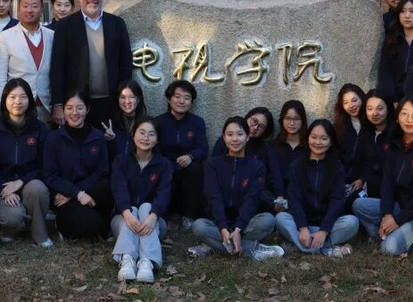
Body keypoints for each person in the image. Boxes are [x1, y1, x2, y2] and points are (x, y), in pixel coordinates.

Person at [190, 117, 284, 261]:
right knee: (199, 226)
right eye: (230, 134)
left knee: (268, 220)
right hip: (217, 223)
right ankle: (253, 248)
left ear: (247, 137)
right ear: (224, 138)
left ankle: (215, 246)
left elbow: (251, 200)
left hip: (246, 224)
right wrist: (223, 227)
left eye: (240, 134)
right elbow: (214, 198)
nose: (235, 139)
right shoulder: (213, 164)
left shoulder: (257, 167)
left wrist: (238, 229)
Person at [353, 96, 413, 256]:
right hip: (398, 207)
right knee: (358, 205)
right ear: (397, 118)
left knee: (389, 248)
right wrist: (387, 214)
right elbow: (387, 183)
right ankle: (387, 232)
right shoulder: (395, 145)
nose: (409, 120)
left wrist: (398, 220)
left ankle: (396, 237)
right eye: (404, 114)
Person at [50, 0, 133, 128]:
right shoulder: (66, 26)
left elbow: (125, 63)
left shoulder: (116, 24)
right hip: (77, 104)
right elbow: (57, 67)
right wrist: (58, 104)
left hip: (110, 102)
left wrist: (126, 98)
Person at [275, 119, 359, 257]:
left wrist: (324, 231)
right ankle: (326, 248)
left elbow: (337, 201)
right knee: (280, 218)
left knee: (352, 222)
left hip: (329, 225)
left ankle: (306, 246)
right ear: (308, 138)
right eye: (313, 137)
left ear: (331, 142)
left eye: (324, 138)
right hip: (302, 223)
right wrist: (303, 228)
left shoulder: (337, 167)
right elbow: (294, 199)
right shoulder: (297, 165)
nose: (318, 142)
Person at [0, 79, 52, 247]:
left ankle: (40, 236)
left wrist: (21, 181)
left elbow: (45, 166)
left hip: (29, 185)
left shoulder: (39, 129)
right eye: (12, 97)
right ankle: (11, 228)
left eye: (23, 97)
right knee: (13, 218)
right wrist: (4, 191)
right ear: (5, 100)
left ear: (29, 100)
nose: (18, 101)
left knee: (38, 188)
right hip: (3, 188)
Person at [44, 90, 113, 239]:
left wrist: (77, 193)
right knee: (94, 226)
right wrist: (77, 193)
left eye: (79, 108)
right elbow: (50, 176)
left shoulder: (97, 137)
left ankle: (100, 224)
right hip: (63, 195)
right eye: (69, 108)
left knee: (106, 187)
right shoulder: (53, 139)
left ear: (87, 109)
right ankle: (62, 224)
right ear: (63, 110)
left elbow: (102, 171)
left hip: (88, 192)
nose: (74, 113)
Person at [111, 117, 173, 284]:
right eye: (142, 133)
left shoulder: (164, 165)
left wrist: (153, 216)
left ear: (157, 139)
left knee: (146, 207)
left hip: (154, 223)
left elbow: (164, 194)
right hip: (123, 221)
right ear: (133, 135)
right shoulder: (121, 161)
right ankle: (128, 260)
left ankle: (146, 262)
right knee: (132, 209)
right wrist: (127, 214)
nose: (146, 138)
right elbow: (119, 190)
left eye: (151, 134)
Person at [0, 0, 54, 122]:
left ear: (41, 10)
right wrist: (2, 107)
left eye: (34, 6)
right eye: (25, 6)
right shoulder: (5, 37)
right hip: (17, 106)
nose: (30, 10)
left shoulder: (51, 36)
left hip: (46, 106)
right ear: (19, 9)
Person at [155, 80, 208, 230]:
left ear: (192, 102)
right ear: (168, 99)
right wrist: (167, 163)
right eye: (177, 96)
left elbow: (203, 147)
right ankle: (169, 215)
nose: (181, 101)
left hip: (187, 166)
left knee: (195, 169)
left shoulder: (197, 122)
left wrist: (190, 156)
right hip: (166, 165)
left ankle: (189, 216)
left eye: (187, 98)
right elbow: (154, 148)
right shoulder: (158, 122)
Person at [211, 108, 285, 214]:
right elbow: (213, 169)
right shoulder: (226, 141)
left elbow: (275, 175)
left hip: (254, 193)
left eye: (261, 126)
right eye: (254, 121)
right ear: (247, 117)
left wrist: (280, 196)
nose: (255, 127)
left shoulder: (266, 148)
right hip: (228, 190)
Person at [378, 0, 413, 101]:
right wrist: (392, 99)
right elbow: (385, 71)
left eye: (412, 11)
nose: (407, 16)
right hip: (395, 99)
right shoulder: (392, 40)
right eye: (403, 11)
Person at [332, 84, 368, 211]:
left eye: (354, 100)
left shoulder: (371, 125)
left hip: (363, 182)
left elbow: (374, 158)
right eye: (346, 102)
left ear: (362, 99)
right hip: (343, 180)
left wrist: (363, 178)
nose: (351, 106)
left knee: (354, 204)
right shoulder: (339, 128)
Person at [360, 90, 395, 199]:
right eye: (370, 109)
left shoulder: (396, 133)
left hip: (389, 191)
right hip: (368, 187)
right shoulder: (366, 132)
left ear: (388, 109)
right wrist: (362, 179)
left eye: (380, 109)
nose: (374, 113)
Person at [103, 80, 148, 162]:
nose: (127, 101)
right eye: (123, 97)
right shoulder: (109, 126)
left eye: (132, 97)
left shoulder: (147, 125)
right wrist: (110, 141)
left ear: (138, 99)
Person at [271, 100, 308, 198]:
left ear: (303, 120)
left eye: (296, 119)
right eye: (287, 118)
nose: (292, 123)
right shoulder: (273, 147)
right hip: (278, 199)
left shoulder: (310, 146)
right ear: (282, 120)